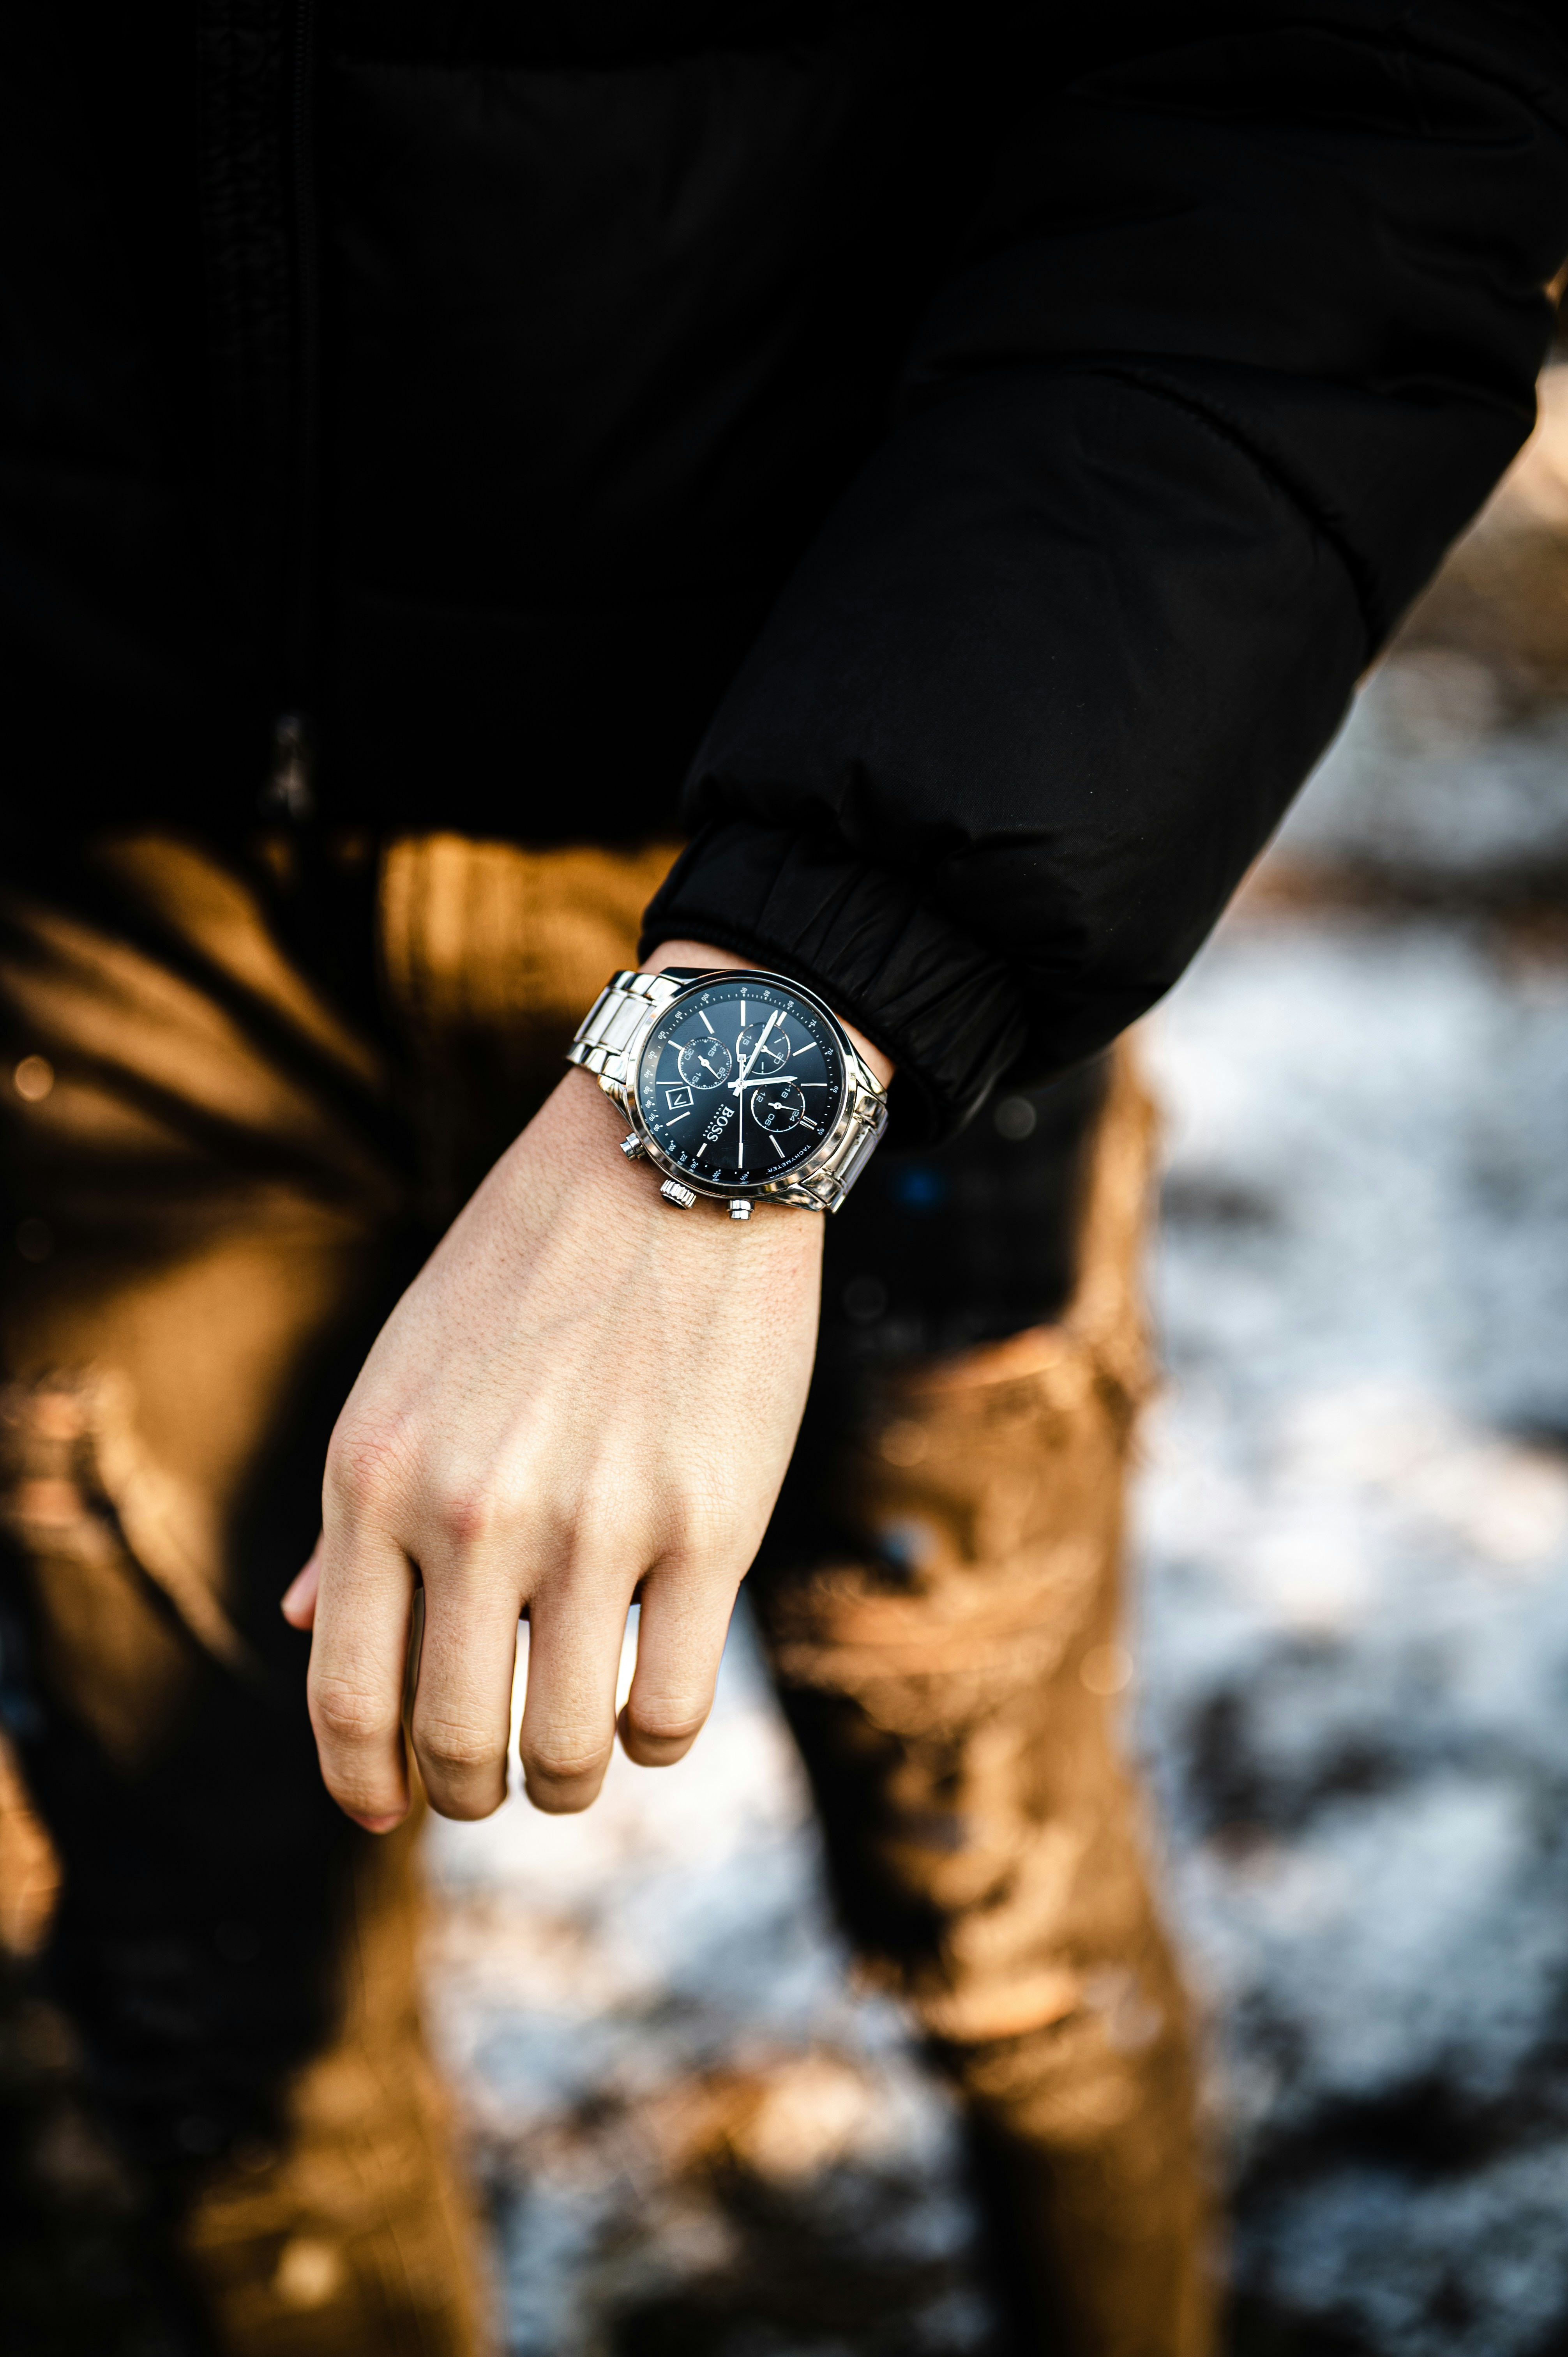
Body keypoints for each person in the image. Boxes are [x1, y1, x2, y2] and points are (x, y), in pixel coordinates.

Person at [1, 4, 1564, 2351]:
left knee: (997, 1893)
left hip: (879, 784)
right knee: (221, 2050)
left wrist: (794, 1015)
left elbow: (1338, 101)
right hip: (100, 919)